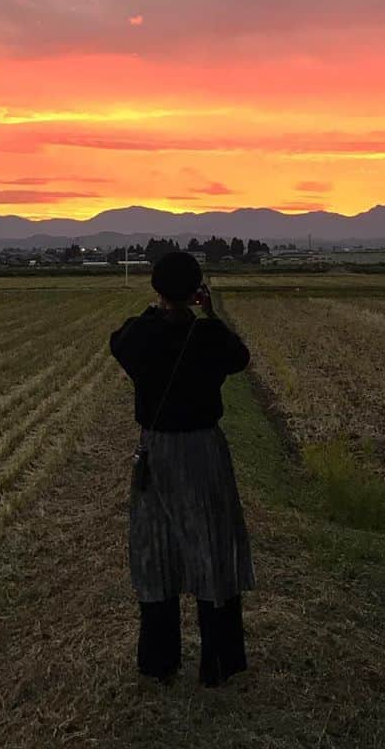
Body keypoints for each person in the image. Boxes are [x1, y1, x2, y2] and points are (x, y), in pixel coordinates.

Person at [109, 250, 255, 688]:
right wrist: (209, 314)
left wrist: (154, 308)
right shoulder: (208, 337)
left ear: (157, 290)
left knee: (157, 554)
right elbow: (240, 357)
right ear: (196, 292)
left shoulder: (142, 337)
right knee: (213, 551)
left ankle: (159, 662)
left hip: (157, 454)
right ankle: (218, 664)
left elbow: (119, 340)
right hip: (204, 453)